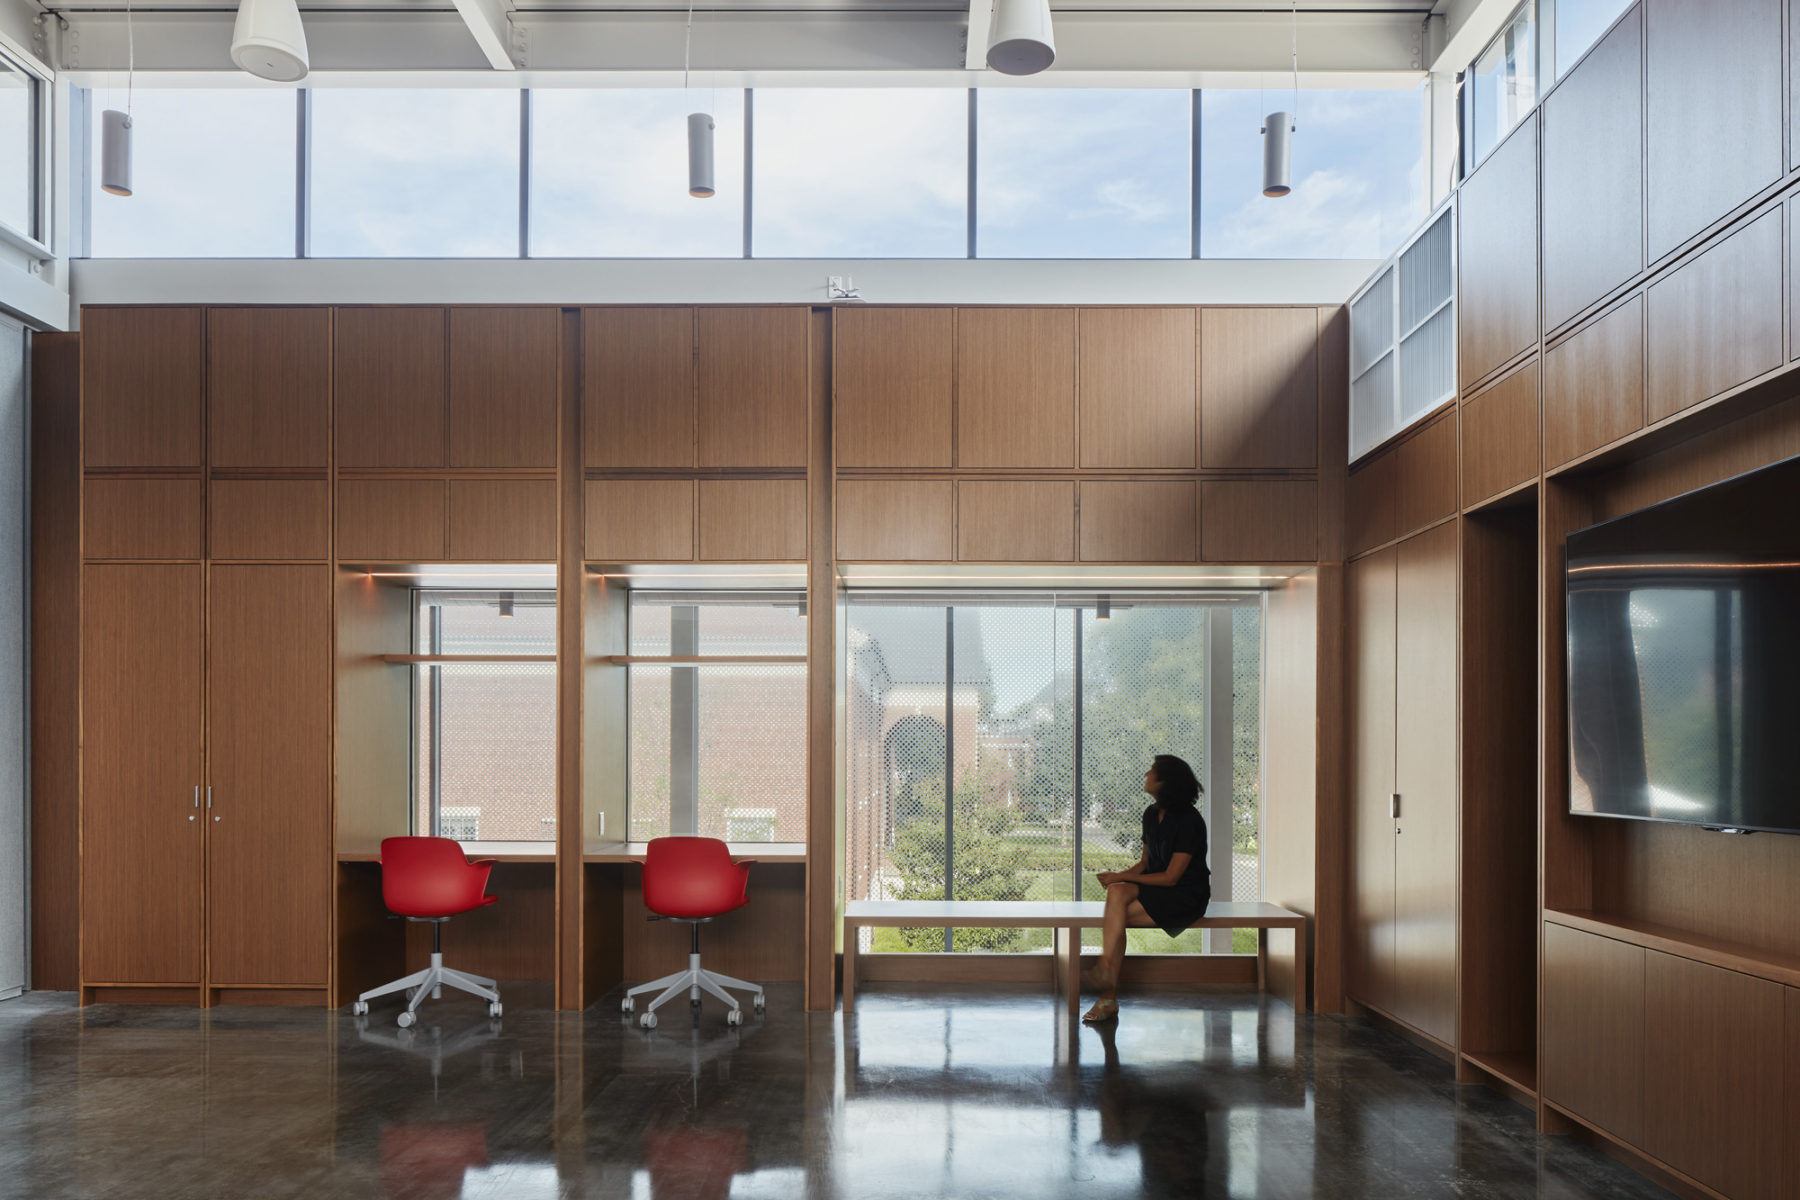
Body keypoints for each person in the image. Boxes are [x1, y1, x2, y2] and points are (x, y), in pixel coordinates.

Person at [1082, 754, 1210, 1023]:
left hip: (1185, 895)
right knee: (1116, 893)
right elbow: (1145, 864)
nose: (1146, 775)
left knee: (1115, 919)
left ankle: (1107, 996)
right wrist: (1119, 878)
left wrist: (1121, 877)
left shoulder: (1189, 820)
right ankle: (1106, 973)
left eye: (1151, 771)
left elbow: (1172, 878)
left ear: (1166, 782)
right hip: (1160, 889)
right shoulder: (1151, 814)